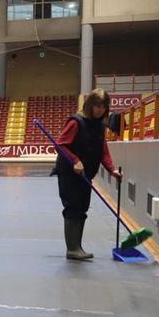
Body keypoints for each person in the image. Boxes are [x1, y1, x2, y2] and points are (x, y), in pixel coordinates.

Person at [53, 88, 121, 261]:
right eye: (97, 106)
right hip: (69, 173)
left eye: (104, 107)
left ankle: (78, 246)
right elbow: (61, 145)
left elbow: (102, 150)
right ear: (90, 105)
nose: (100, 110)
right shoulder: (76, 122)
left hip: (86, 174)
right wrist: (75, 160)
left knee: (83, 207)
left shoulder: (100, 125)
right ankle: (72, 249)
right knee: (73, 207)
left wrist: (111, 169)